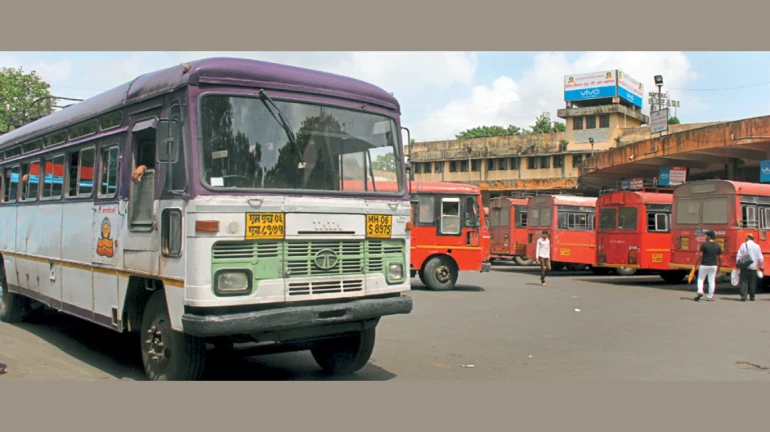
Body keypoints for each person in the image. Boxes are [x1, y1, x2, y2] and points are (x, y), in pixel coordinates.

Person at [693, 231, 723, 302]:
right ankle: (710, 296)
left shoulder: (704, 245)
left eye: (706, 236)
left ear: (709, 237)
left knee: (700, 279)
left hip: (704, 265)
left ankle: (700, 291)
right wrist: (719, 266)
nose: (705, 237)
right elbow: (720, 258)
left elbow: (700, 256)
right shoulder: (718, 246)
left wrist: (696, 264)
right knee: (711, 281)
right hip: (713, 265)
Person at [735, 233, 764, 302]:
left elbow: (739, 255)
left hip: (745, 266)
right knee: (752, 282)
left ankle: (744, 296)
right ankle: (752, 296)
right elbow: (760, 257)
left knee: (744, 281)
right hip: (753, 267)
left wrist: (738, 264)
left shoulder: (743, 245)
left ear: (748, 237)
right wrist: (760, 265)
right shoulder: (757, 246)